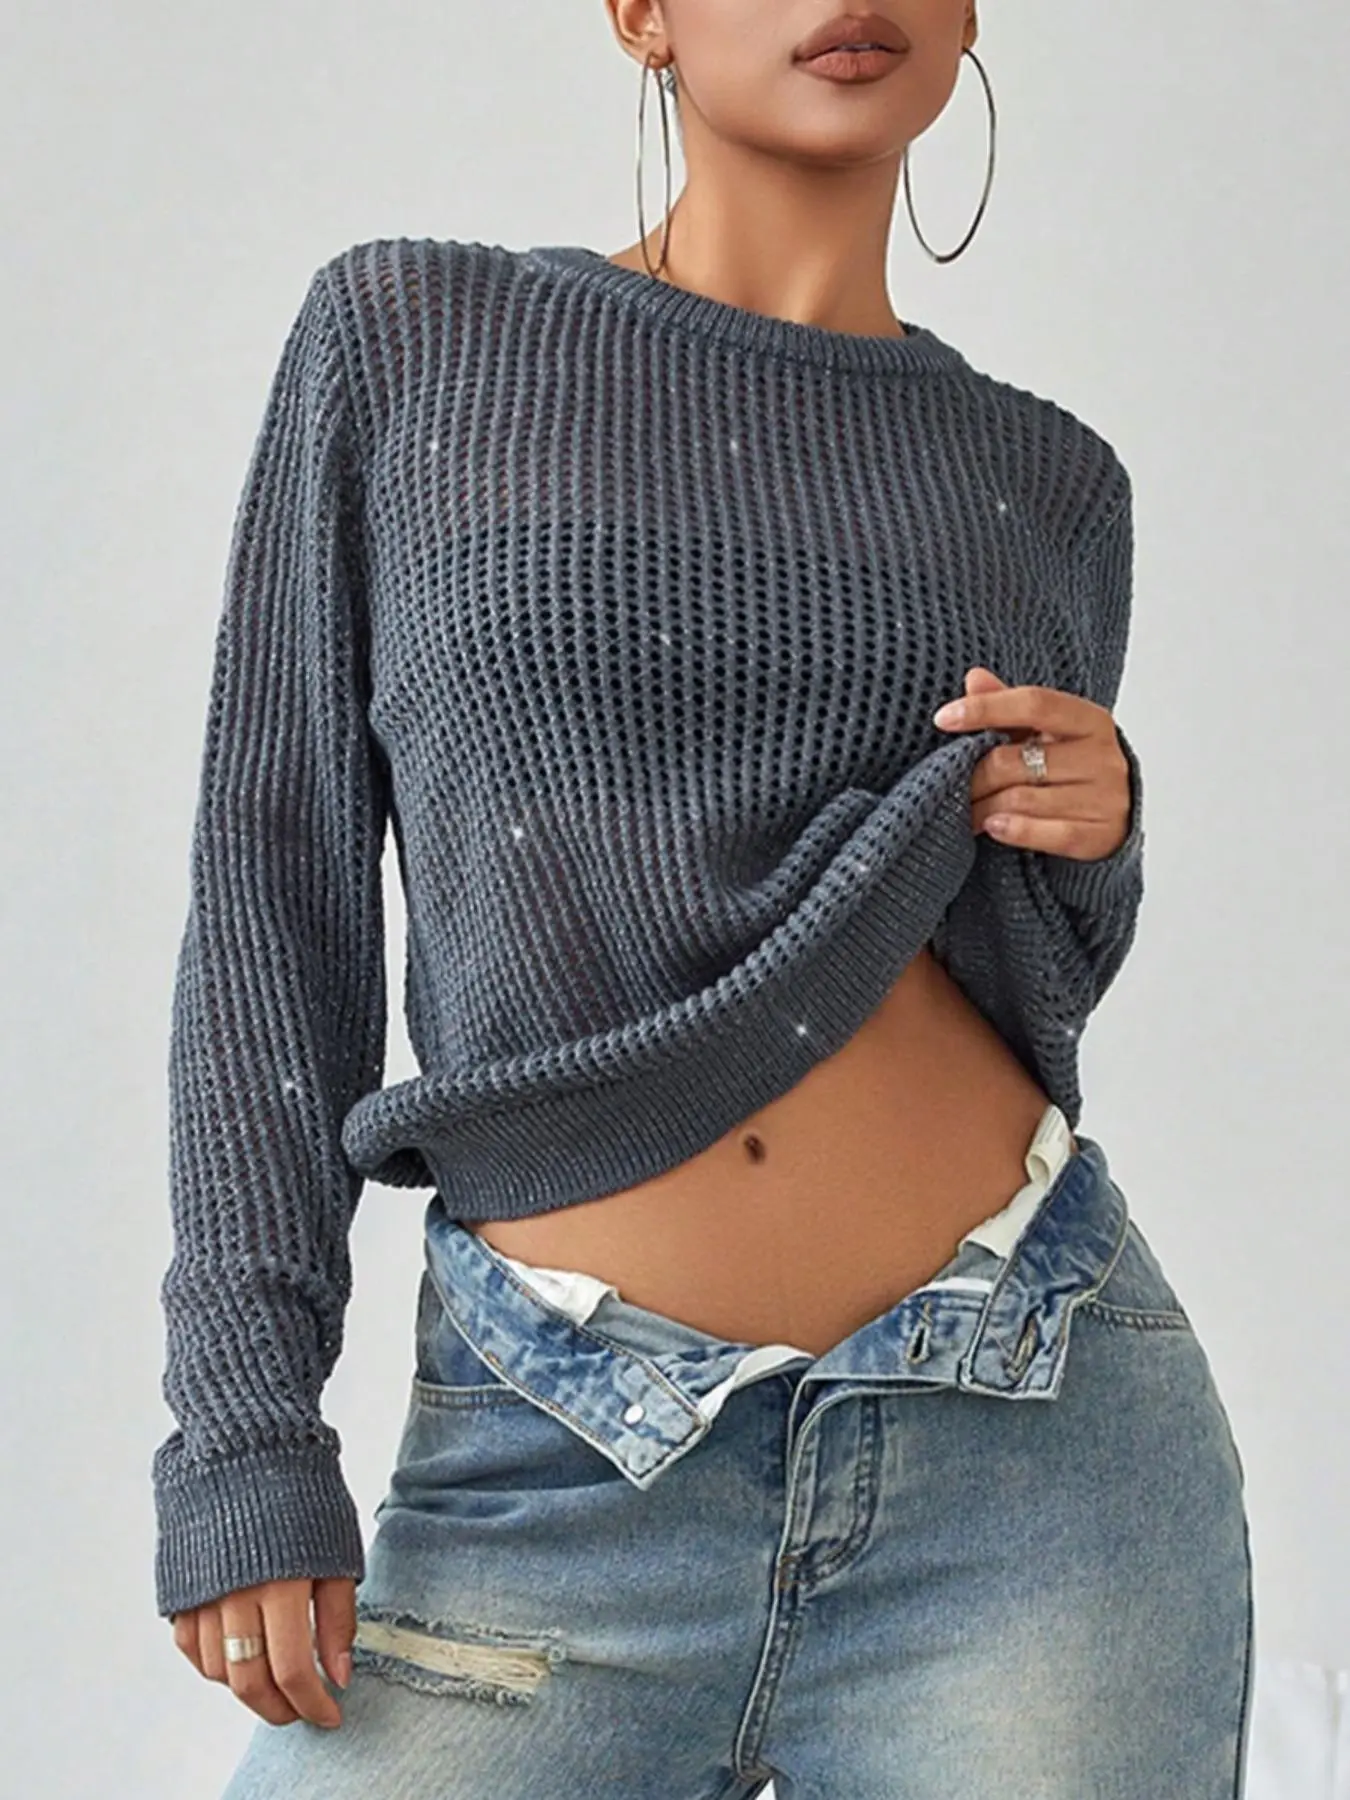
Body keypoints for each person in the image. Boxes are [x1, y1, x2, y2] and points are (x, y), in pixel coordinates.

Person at [156, 3, 1255, 1794]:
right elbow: (274, 896)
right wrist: (244, 1428)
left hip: (1034, 1453)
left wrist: (1094, 827)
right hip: (548, 1462)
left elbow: (1018, 981)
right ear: (640, 13)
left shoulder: (1052, 484)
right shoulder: (412, 338)